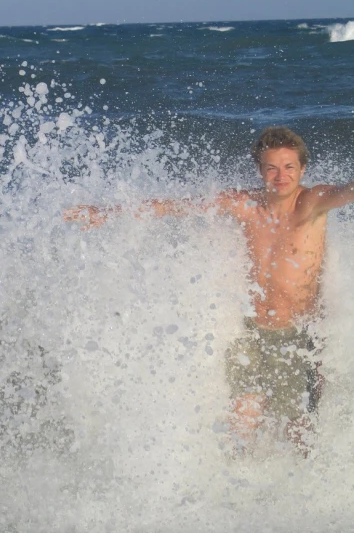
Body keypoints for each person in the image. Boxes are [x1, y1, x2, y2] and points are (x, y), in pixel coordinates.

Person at [64, 126, 354, 454]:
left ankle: (300, 495)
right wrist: (105, 214)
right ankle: (240, 489)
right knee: (242, 421)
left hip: (299, 338)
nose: (280, 176)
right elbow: (177, 206)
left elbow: (346, 191)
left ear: (302, 169)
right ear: (260, 170)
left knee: (300, 434)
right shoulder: (245, 204)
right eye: (271, 167)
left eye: (289, 167)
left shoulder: (312, 203)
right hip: (252, 332)